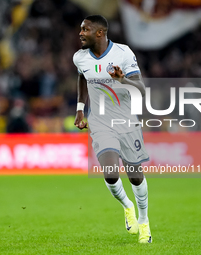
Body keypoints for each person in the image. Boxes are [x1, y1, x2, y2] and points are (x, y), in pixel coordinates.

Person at [73, 15, 152, 243]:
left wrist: (122, 80)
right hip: (100, 122)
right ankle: (127, 207)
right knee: (110, 172)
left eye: (85, 29)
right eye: (80, 29)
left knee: (135, 176)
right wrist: (80, 108)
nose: (80, 33)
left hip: (126, 120)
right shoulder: (80, 58)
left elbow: (142, 90)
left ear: (99, 33)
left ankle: (144, 220)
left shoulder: (123, 54)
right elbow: (82, 77)